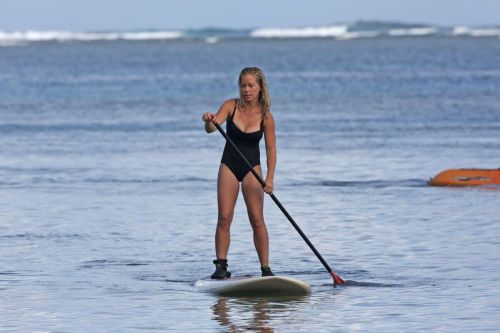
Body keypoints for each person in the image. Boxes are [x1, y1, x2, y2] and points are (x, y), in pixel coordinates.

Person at [202, 67, 277, 279]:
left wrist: (269, 178)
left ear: (260, 87)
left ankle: (265, 269)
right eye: (243, 85)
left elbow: (271, 149)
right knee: (224, 218)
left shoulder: (266, 117)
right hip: (229, 166)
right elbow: (211, 128)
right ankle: (221, 267)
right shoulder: (230, 106)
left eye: (251, 85)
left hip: (253, 168)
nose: (246, 90)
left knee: (257, 219)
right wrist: (209, 120)